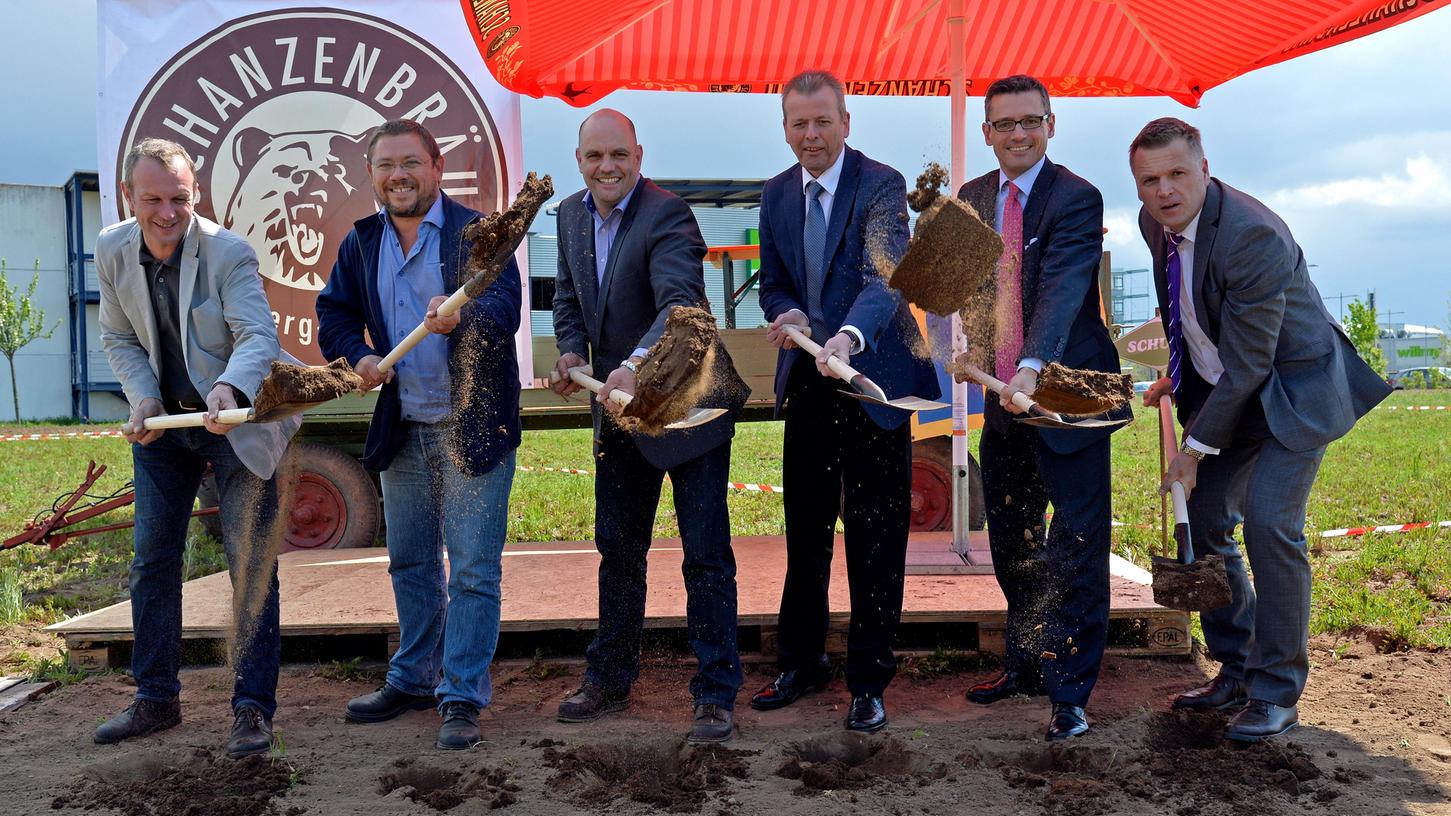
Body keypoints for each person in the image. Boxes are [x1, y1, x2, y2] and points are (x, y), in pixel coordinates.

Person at [1129, 117, 1391, 742]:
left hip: (1292, 392)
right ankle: (1238, 666)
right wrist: (1176, 374)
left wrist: (1193, 448)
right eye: (1149, 180)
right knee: (1210, 518)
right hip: (1231, 393)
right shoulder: (1155, 226)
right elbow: (1185, 310)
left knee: (1273, 524)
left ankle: (1276, 691)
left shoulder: (1252, 235)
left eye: (1177, 175)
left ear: (1205, 168)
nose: (1164, 191)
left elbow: (1250, 363)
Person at [316, 119, 522, 751]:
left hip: (472, 426)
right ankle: (413, 676)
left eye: (410, 163)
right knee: (409, 561)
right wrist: (358, 355)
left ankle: (461, 696)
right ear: (371, 175)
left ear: (437, 168)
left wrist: (465, 316)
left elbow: (506, 307)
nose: (398, 176)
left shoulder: (477, 235)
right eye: (385, 165)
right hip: (403, 425)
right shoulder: (363, 240)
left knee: (473, 570)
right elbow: (336, 313)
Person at [95, 138, 299, 758]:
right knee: (151, 563)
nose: (166, 212)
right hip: (165, 430)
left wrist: (228, 386)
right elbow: (119, 337)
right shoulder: (110, 249)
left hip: (235, 424)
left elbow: (257, 334)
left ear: (196, 194)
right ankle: (155, 700)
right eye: (152, 198)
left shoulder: (228, 251)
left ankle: (251, 711)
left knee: (250, 564)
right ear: (128, 197)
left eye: (178, 198)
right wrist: (143, 400)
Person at [751, 70, 939, 733]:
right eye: (798, 124)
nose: (810, 135)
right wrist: (790, 311)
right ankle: (801, 663)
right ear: (784, 128)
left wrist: (848, 337)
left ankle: (868, 680)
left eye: (822, 121)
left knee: (874, 539)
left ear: (845, 122)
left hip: (872, 385)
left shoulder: (881, 185)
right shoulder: (774, 195)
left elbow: (884, 275)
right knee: (804, 535)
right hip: (806, 383)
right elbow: (771, 283)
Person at [550, 109, 746, 744]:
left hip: (687, 408)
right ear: (579, 160)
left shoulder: (668, 215)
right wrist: (574, 352)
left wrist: (633, 364)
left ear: (639, 153)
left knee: (705, 555)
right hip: (620, 414)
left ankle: (715, 692)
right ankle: (610, 677)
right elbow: (568, 301)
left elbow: (681, 305)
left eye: (618, 155)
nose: (607, 167)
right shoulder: (573, 216)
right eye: (593, 157)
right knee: (619, 549)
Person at [952, 75, 1129, 741]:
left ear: (1050, 125)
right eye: (1004, 124)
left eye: (1030, 121)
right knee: (1012, 537)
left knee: (1076, 543)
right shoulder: (970, 199)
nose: (1017, 134)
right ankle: (1025, 659)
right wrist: (949, 339)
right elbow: (949, 287)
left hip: (1071, 390)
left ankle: (1069, 691)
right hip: (1001, 397)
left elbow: (1058, 292)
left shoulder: (1076, 198)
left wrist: (1030, 366)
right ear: (986, 133)